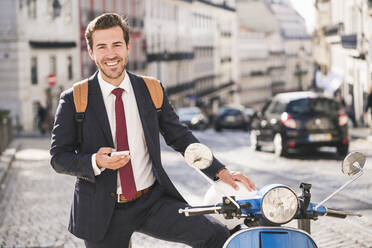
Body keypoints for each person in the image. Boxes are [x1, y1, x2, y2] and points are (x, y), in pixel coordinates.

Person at [50, 13, 256, 248]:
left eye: (117, 45)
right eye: (102, 47)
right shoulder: (74, 98)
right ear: (91, 52)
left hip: (151, 202)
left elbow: (179, 137)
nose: (110, 54)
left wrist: (219, 171)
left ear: (128, 47)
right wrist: (95, 162)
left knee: (216, 236)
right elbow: (58, 157)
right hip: (102, 210)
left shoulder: (151, 89)